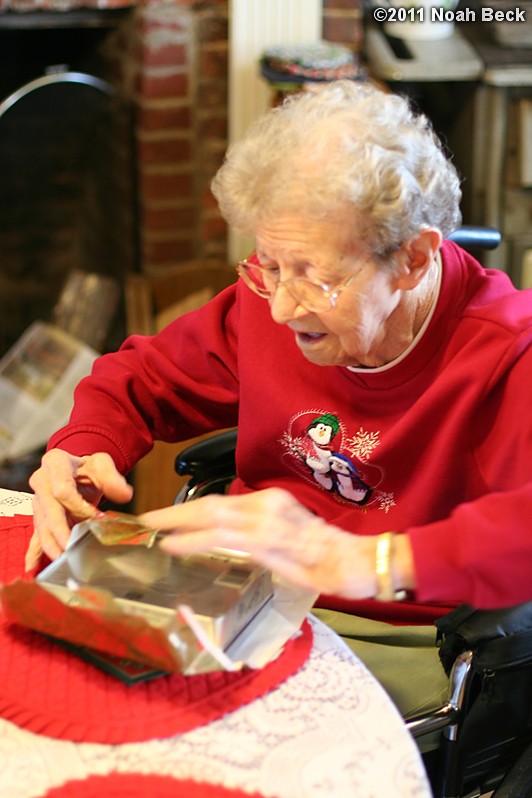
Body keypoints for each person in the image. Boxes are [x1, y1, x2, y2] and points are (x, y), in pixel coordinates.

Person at [27, 81, 532, 718]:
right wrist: (80, 448)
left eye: (317, 278)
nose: (285, 308)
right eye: (268, 265)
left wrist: (355, 560)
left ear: (412, 260)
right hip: (240, 591)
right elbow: (142, 377)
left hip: (399, 636)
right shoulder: (271, 300)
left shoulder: (510, 352)